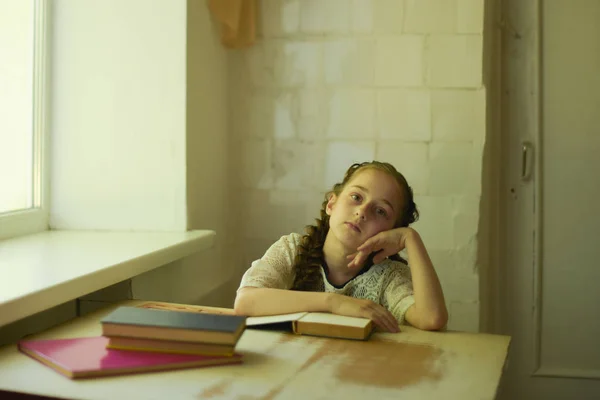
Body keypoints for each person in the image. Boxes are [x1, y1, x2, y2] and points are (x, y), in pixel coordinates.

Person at [234, 161, 448, 332]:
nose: (362, 211)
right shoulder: (292, 249)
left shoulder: (389, 276)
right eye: (356, 197)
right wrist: (333, 303)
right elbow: (246, 302)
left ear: (390, 232)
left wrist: (411, 239)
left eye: (381, 211)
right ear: (331, 204)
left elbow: (431, 318)